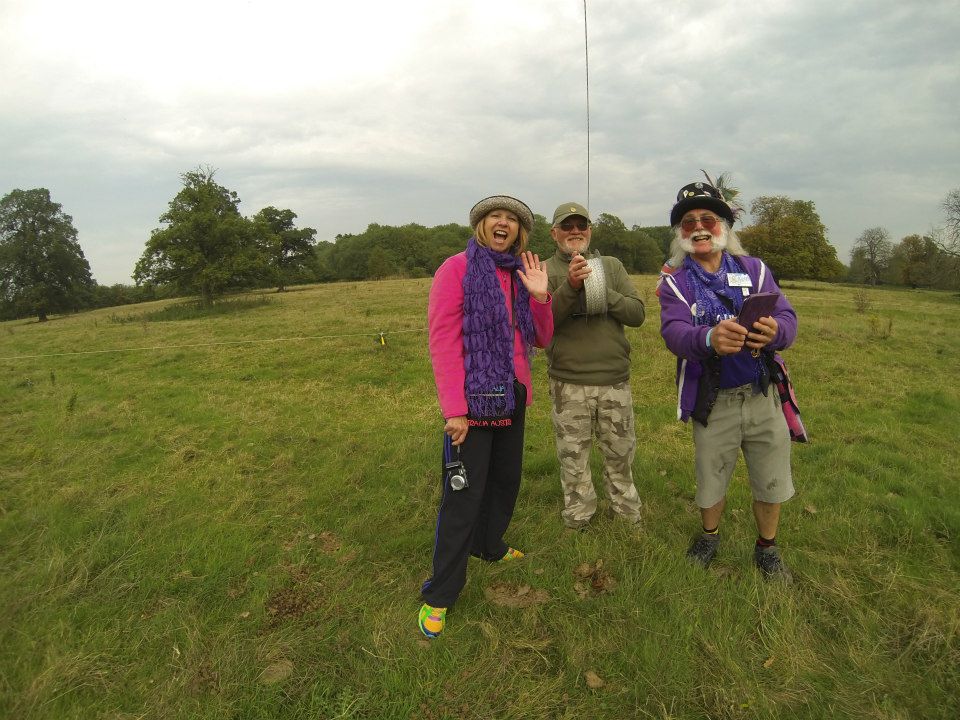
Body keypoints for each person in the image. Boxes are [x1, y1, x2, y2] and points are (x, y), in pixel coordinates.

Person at [419, 195, 553, 638]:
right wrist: (455, 410)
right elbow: (442, 341)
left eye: (512, 219)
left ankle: (489, 545)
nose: (504, 223)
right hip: (472, 406)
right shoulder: (455, 268)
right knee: (462, 498)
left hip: (512, 397)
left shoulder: (520, 273)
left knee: (505, 480)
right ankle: (440, 592)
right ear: (481, 223)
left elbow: (544, 337)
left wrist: (540, 296)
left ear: (520, 232)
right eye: (496, 216)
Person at [658, 181, 798, 582]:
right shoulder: (675, 282)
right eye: (688, 222)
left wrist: (776, 332)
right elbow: (673, 332)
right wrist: (708, 338)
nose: (699, 227)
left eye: (708, 218)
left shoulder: (755, 269)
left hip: (760, 393)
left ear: (724, 225)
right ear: (680, 234)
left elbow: (788, 318)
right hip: (712, 397)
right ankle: (709, 536)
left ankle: (767, 548)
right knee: (711, 472)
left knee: (771, 475)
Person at [543, 202, 645, 529]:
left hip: (614, 379)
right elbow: (541, 326)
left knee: (620, 456)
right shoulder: (543, 270)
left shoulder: (612, 266)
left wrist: (601, 291)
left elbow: (636, 314)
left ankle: (628, 517)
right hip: (568, 382)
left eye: (581, 225)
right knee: (574, 459)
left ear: (590, 230)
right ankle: (579, 518)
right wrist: (571, 287)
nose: (575, 231)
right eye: (567, 226)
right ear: (554, 232)